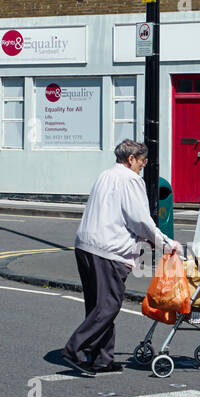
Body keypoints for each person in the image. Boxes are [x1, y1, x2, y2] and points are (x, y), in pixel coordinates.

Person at [62, 139, 181, 376]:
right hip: (108, 250)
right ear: (131, 159)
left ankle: (102, 359)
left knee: (97, 305)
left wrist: (145, 238)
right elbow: (140, 219)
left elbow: (116, 212)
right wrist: (165, 243)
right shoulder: (130, 179)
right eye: (142, 161)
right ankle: (75, 349)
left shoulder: (105, 175)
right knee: (109, 305)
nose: (143, 166)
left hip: (85, 245)